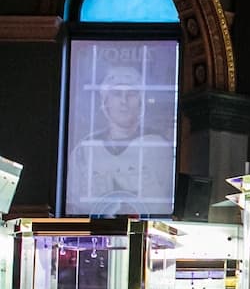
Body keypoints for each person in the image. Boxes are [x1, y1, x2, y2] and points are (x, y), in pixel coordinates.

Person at [67, 63, 173, 215]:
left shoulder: (158, 148)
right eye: (116, 94)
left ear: (141, 100)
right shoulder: (84, 150)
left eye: (131, 94)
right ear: (106, 101)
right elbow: (74, 207)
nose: (124, 101)